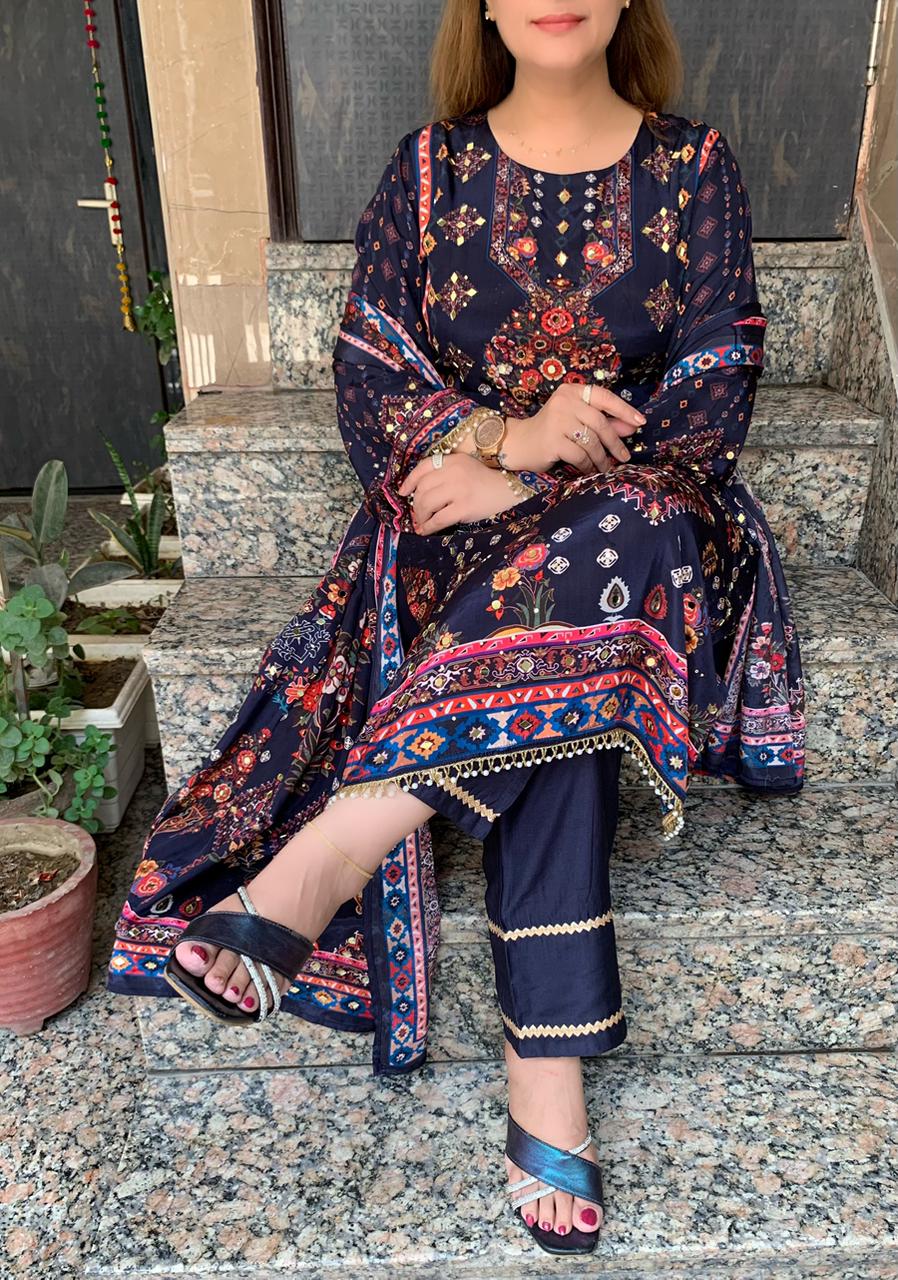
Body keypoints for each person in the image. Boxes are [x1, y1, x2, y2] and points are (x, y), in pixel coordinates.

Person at [106, 0, 805, 1256]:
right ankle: (548, 1065)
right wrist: (503, 440)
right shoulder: (428, 170)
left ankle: (332, 851)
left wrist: (542, 479)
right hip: (455, 531)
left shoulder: (694, 167)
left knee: (614, 554)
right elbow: (369, 367)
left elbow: (715, 385)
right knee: (562, 653)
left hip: (640, 528)